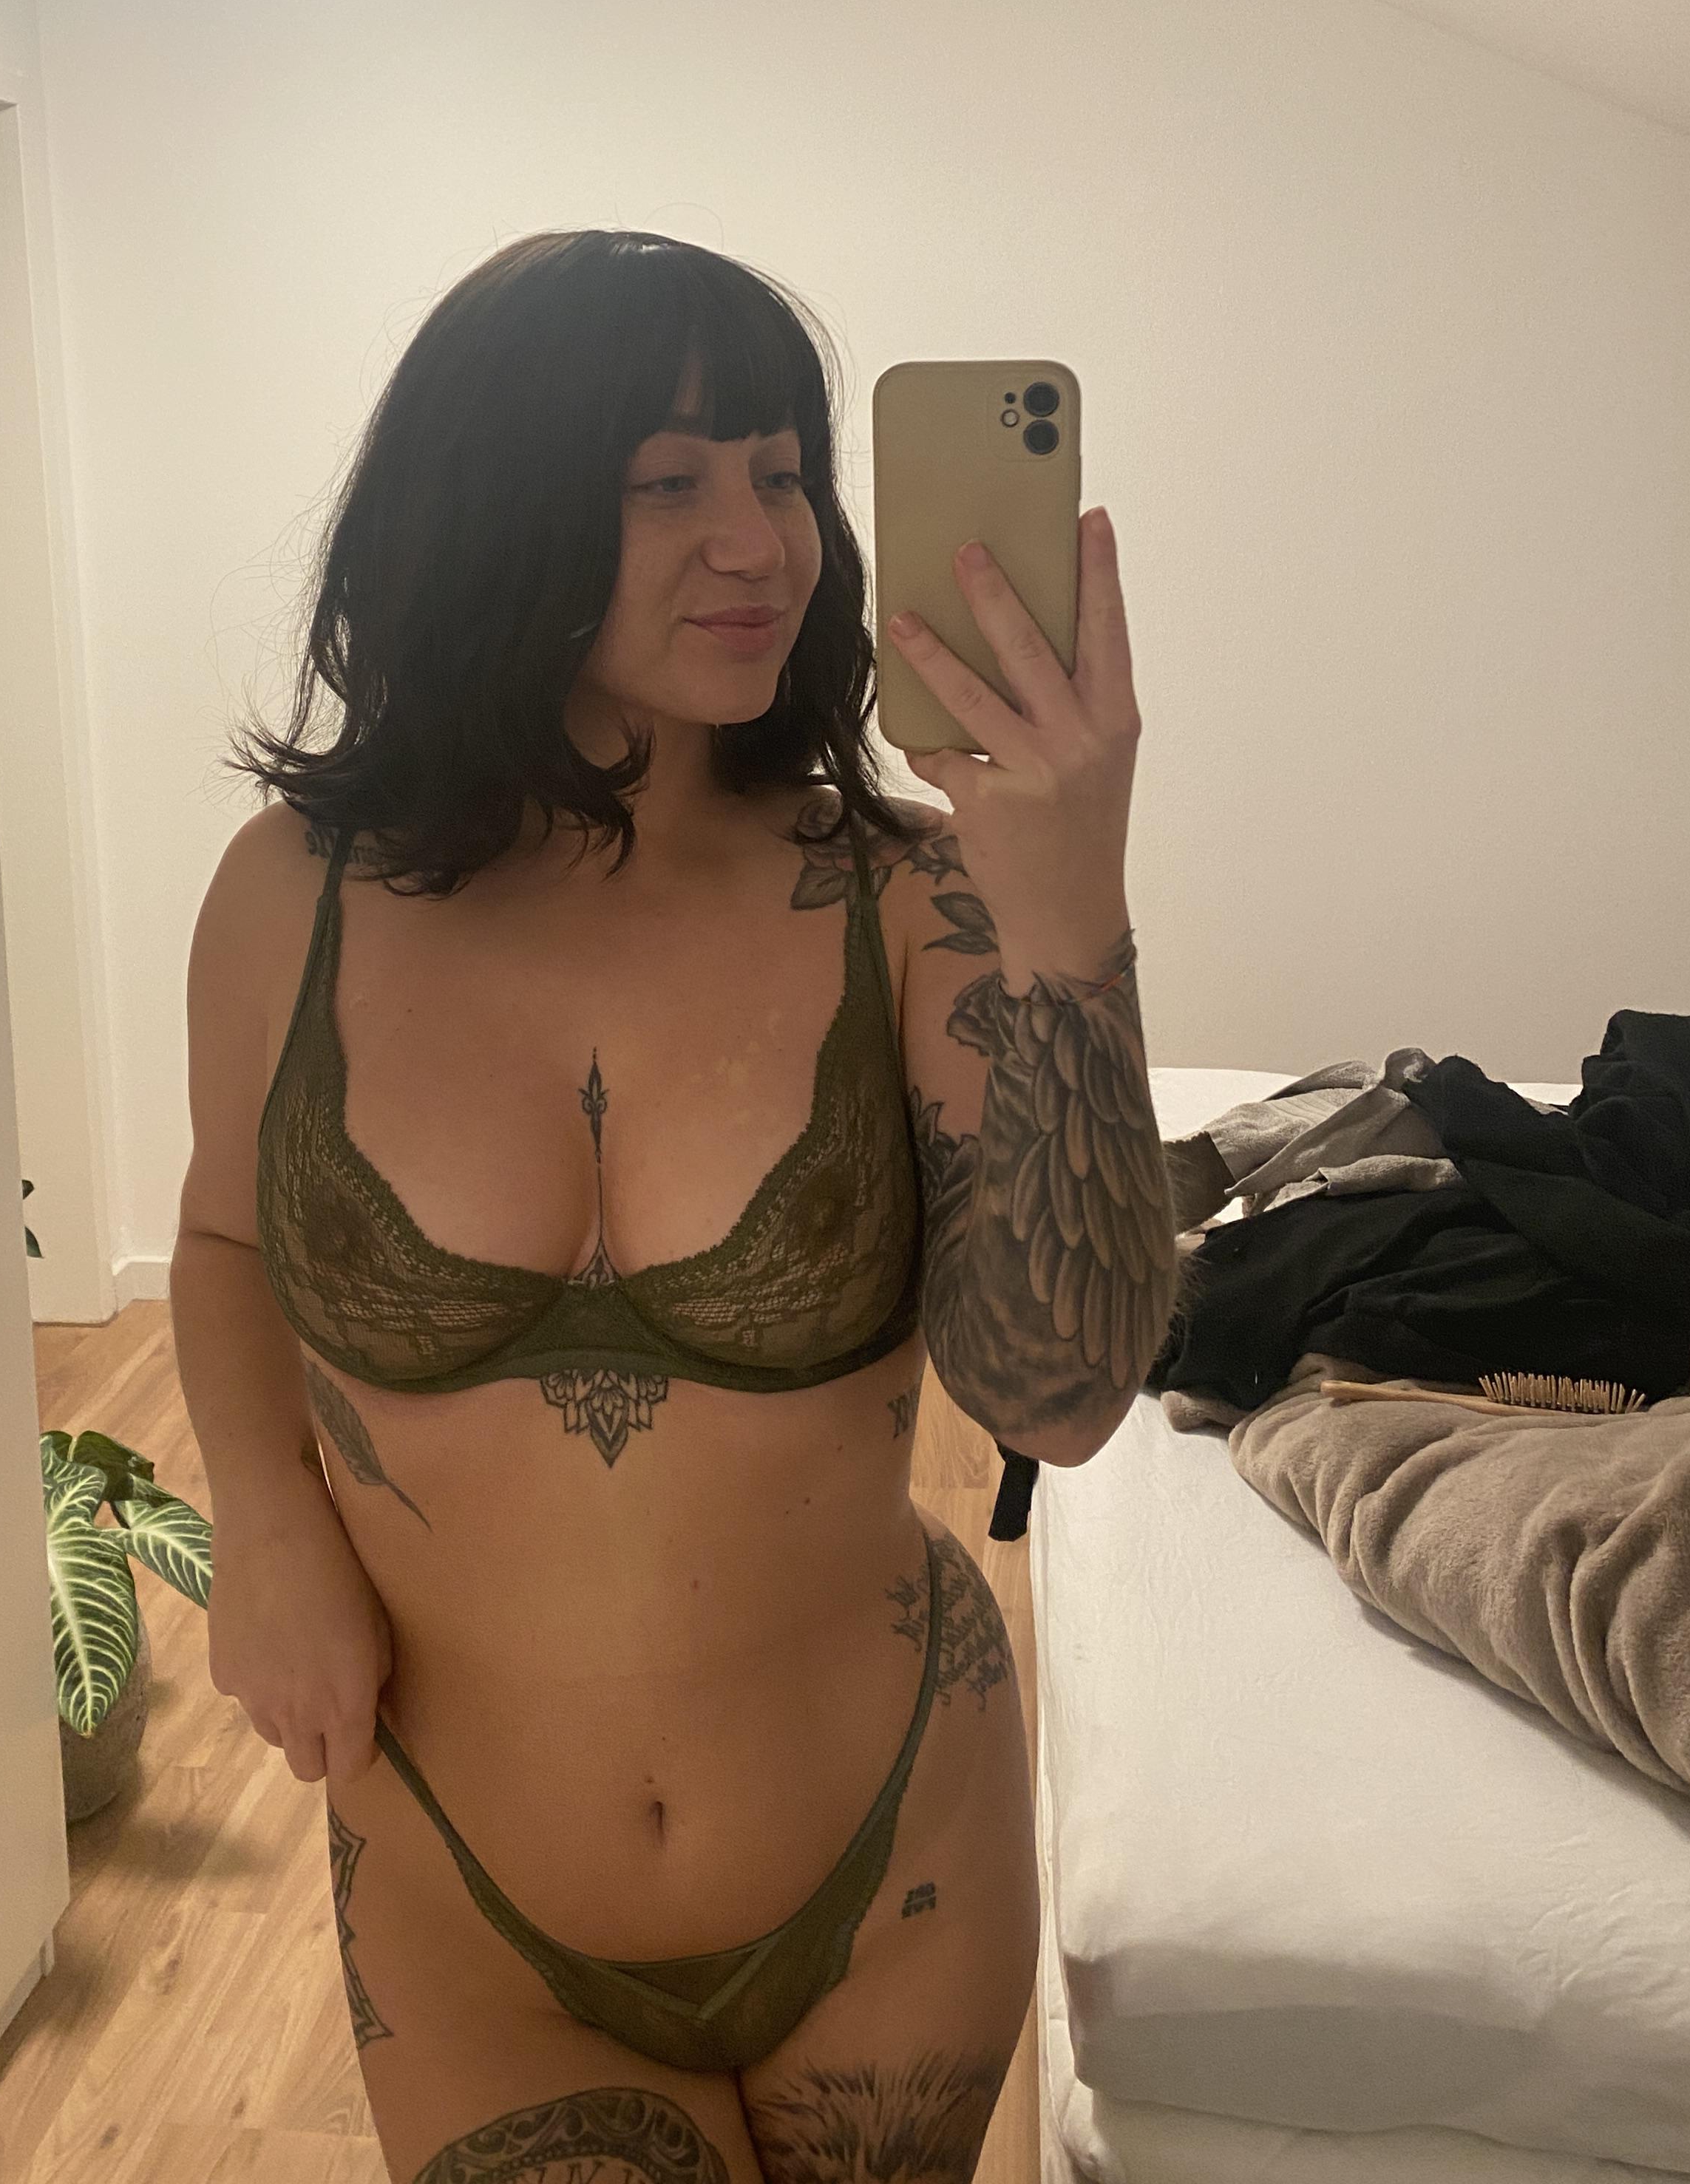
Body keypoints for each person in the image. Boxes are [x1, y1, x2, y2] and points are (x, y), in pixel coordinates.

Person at [169, 230, 1178, 2184]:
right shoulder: (291, 895)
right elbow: (221, 1242)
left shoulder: (908, 896)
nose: (758, 541)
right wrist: (269, 1524)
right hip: (475, 1914)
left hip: (892, 1862)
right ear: (494, 508)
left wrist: (1071, 926)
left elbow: (1056, 1401)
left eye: (784, 473)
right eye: (668, 480)